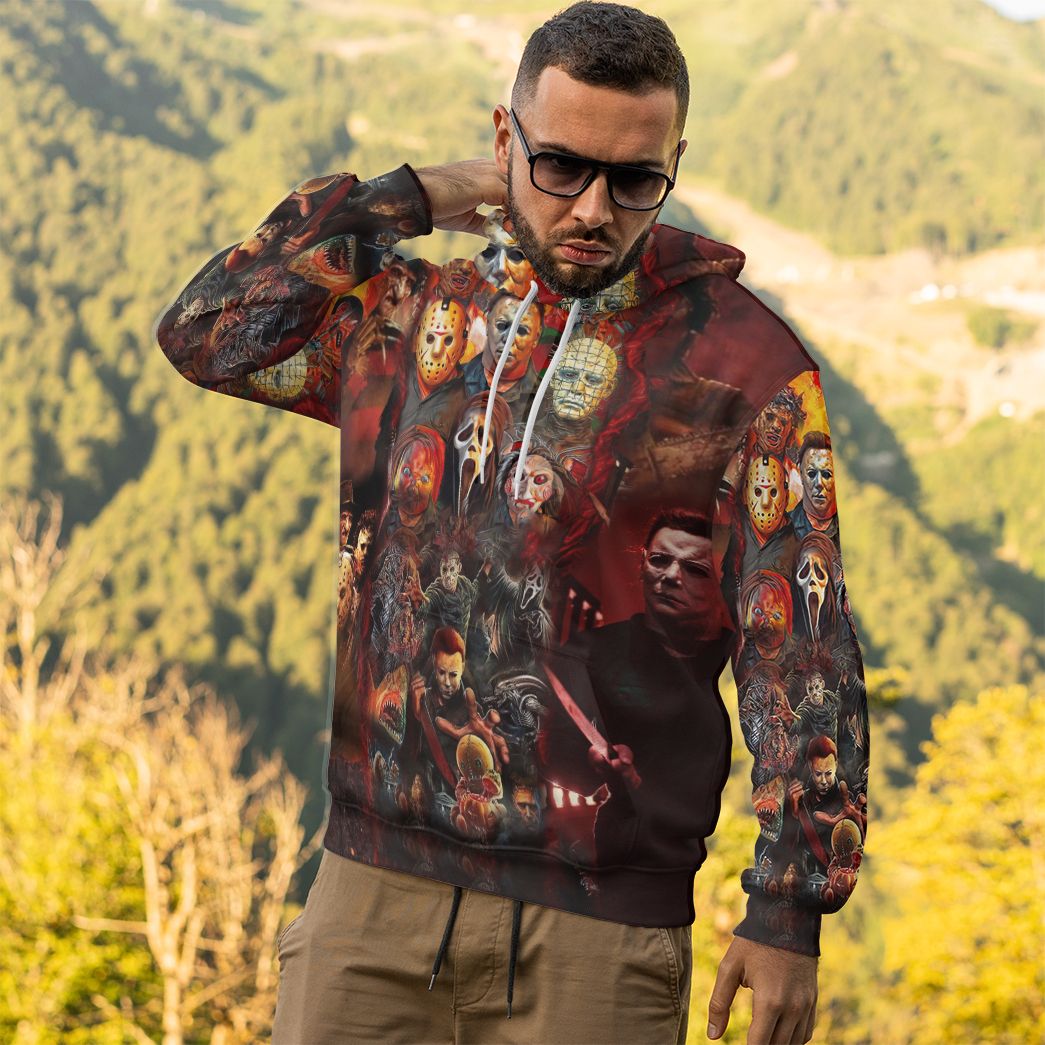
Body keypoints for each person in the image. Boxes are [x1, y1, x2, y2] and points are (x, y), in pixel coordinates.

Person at [154, 3, 870, 1043]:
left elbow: (797, 641)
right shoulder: (410, 312)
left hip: (599, 932)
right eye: (559, 166)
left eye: (634, 180)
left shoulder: (744, 366)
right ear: (505, 139)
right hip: (370, 900)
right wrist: (413, 197)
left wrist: (788, 905)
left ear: (674, 164)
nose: (593, 208)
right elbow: (208, 333)